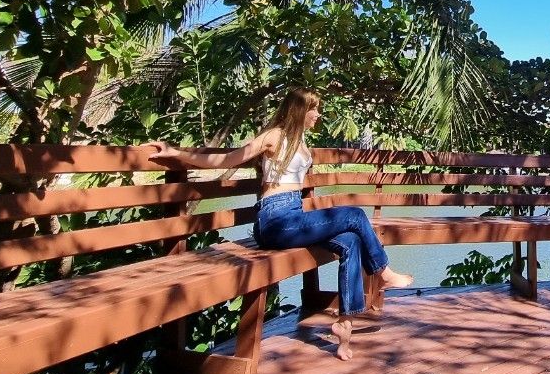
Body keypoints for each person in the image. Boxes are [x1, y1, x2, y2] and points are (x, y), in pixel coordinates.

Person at [140, 87, 412, 360]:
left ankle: (345, 323)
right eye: (314, 109)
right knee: (354, 215)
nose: (318, 114)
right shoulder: (273, 136)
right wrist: (176, 153)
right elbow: (227, 159)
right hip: (275, 219)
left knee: (351, 240)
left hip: (294, 215)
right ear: (299, 110)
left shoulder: (300, 141)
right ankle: (383, 271)